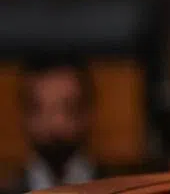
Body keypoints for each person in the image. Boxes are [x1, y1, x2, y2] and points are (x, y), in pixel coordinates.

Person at [6, 57, 102, 192]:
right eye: (40, 110)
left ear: (88, 113)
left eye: (69, 109)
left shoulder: (130, 188)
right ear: (24, 116)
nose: (57, 124)